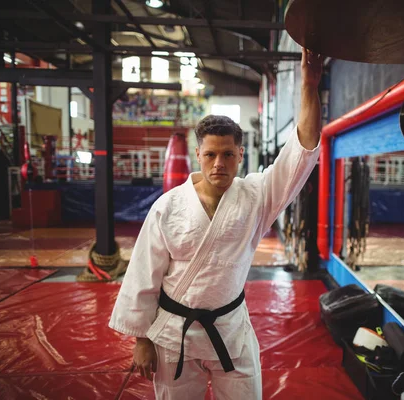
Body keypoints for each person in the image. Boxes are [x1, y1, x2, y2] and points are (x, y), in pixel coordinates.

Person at [109, 48, 323, 400]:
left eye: (227, 154)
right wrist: (141, 340)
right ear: (198, 155)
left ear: (241, 154)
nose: (218, 163)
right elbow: (143, 275)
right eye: (210, 154)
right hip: (174, 334)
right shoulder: (169, 207)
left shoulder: (256, 196)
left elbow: (301, 154)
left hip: (230, 329)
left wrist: (309, 86)